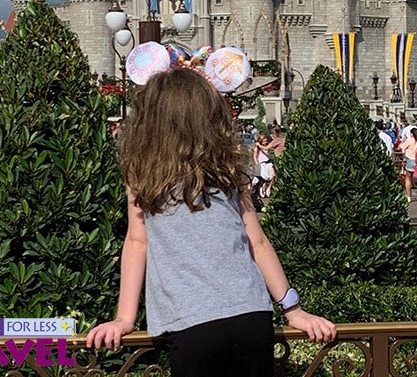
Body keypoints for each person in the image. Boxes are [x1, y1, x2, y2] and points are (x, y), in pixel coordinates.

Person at [85, 67, 336, 377]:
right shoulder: (226, 169)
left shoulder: (143, 174)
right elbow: (257, 242)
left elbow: (137, 243)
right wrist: (292, 309)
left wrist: (124, 318)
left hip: (192, 319)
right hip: (250, 314)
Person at [399, 127, 417, 203]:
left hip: (410, 160)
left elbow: (400, 147)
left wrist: (403, 141)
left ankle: (409, 196)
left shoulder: (410, 140)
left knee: (408, 178)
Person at [254, 133, 274, 197]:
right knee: (263, 178)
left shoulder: (266, 146)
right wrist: (257, 163)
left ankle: (268, 188)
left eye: (266, 140)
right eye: (264, 140)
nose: (265, 141)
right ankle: (262, 189)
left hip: (268, 162)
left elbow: (265, 148)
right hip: (261, 163)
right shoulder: (257, 148)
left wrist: (259, 145)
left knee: (273, 175)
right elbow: (255, 156)